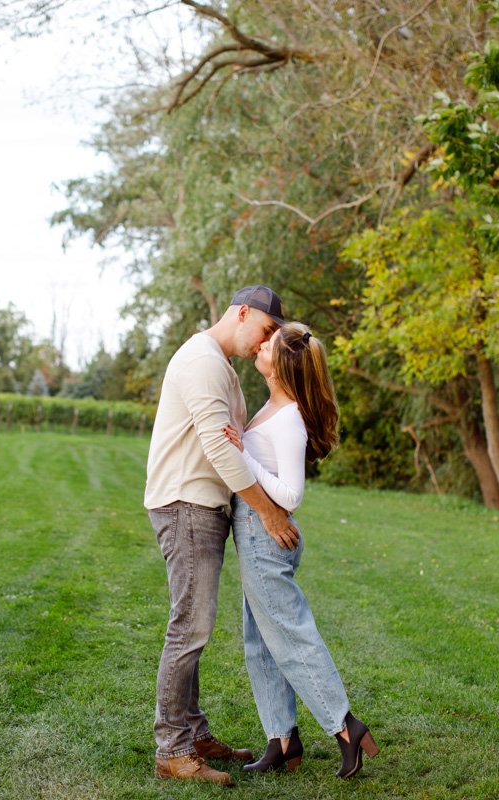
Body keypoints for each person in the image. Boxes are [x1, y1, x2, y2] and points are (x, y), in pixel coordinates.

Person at [145, 286, 300, 787]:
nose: (265, 343)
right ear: (242, 313)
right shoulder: (203, 361)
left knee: (193, 625)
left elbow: (237, 440)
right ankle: (172, 749)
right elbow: (219, 447)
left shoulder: (220, 365)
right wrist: (270, 515)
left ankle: (193, 733)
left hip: (202, 506)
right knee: (189, 628)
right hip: (187, 503)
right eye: (267, 330)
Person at [221, 321, 379, 780]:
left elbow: (289, 496)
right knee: (260, 643)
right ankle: (283, 742)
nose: (259, 346)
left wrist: (243, 456)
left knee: (290, 637)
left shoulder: (288, 417)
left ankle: (345, 727)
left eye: (268, 345)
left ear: (281, 365)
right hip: (256, 534)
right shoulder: (274, 405)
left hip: (265, 535)